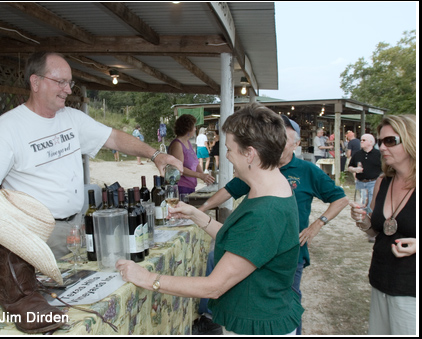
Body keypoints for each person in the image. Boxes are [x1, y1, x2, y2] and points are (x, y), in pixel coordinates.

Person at [0, 52, 183, 259]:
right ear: (35, 82)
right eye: (60, 82)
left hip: (77, 227)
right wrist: (11, 228)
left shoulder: (71, 118)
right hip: (37, 235)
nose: (68, 90)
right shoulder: (6, 128)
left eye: (69, 83)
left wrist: (155, 155)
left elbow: (114, 138)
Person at [117, 103, 304, 335]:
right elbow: (244, 242)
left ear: (250, 153)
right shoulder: (270, 187)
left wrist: (147, 278)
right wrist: (197, 215)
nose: (226, 156)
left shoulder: (266, 211)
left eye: (229, 149)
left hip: (259, 325)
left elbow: (214, 286)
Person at [197, 115, 349, 335]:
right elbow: (230, 190)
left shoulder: (306, 170)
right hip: (259, 247)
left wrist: (318, 223)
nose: (277, 143)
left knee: (285, 302)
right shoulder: (260, 169)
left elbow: (341, 198)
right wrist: (201, 209)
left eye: (284, 139)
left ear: (296, 144)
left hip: (290, 250)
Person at [349, 115, 416, 335]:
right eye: (380, 141)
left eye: (390, 141)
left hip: (411, 290)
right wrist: (363, 221)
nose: (382, 147)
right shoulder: (383, 181)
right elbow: (376, 231)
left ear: (411, 141)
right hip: (380, 280)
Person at [168, 114, 214, 194]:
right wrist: (200, 175)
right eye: (194, 127)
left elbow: (195, 163)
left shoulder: (187, 142)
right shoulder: (177, 145)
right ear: (187, 129)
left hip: (190, 186)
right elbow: (179, 168)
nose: (195, 129)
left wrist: (204, 177)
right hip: (180, 187)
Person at [348, 133, 383, 208]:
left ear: (371, 142)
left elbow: (384, 169)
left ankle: (370, 217)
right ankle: (363, 218)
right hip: (360, 182)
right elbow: (349, 167)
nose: (361, 141)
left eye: (364, 140)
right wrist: (354, 169)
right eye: (361, 140)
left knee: (371, 204)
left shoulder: (379, 154)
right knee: (360, 204)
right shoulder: (357, 154)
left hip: (373, 182)